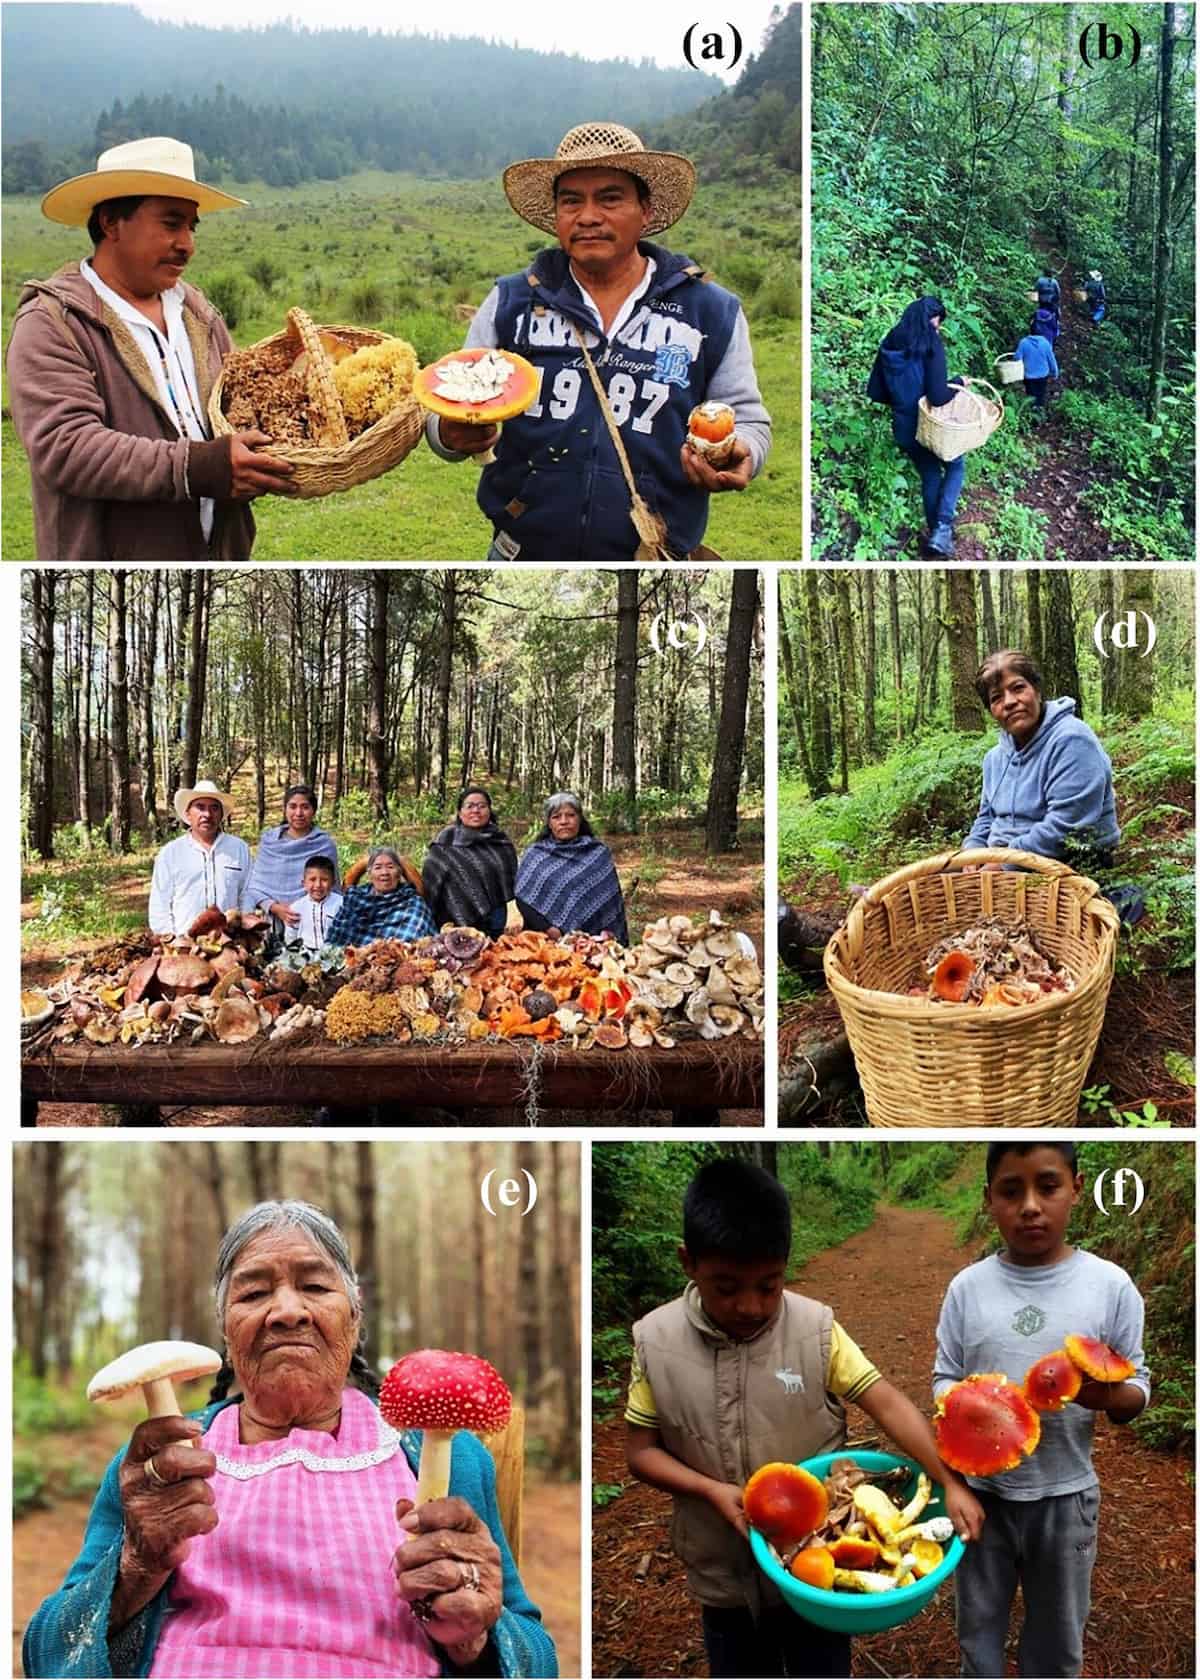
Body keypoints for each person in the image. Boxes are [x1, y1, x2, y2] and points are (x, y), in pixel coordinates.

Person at [23, 1200, 556, 1678]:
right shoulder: (162, 1464)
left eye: (316, 1287)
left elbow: (534, 1656)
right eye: (253, 1293)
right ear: (226, 1328)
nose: (286, 1311)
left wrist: (476, 1635)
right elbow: (49, 1654)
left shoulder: (444, 1453)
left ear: (355, 1316)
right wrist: (137, 1564)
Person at [625, 1158, 985, 1680]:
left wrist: (950, 1481)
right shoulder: (656, 1342)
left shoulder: (815, 1330)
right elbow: (641, 1452)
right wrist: (710, 1491)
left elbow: (884, 1401)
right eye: (726, 1288)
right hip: (724, 1572)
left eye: (768, 1286)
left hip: (822, 1562)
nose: (750, 1306)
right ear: (688, 1263)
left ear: (786, 1266)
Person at [426, 123, 772, 563]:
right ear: (556, 215)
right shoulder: (512, 302)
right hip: (520, 559)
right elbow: (448, 408)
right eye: (572, 200)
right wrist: (449, 434)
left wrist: (743, 452)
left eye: (610, 198)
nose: (588, 216)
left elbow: (747, 420)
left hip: (655, 561)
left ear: (645, 211)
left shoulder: (709, 312)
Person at [5, 136, 294, 563]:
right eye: (171, 223)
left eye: (191, 227)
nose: (187, 244)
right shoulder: (53, 325)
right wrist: (200, 468)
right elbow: (67, 448)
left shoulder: (198, 313)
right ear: (110, 222)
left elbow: (238, 404)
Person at [935, 1143, 1149, 1679]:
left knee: (1058, 1638)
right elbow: (944, 1377)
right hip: (981, 1498)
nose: (1030, 1205)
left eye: (1047, 1186)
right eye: (1011, 1191)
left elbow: (1137, 1389)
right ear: (989, 1200)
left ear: (1076, 1188)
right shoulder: (968, 1289)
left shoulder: (1110, 1287)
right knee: (977, 1627)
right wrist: (973, 1406)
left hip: (1065, 1496)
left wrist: (1098, 1396)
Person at [962, 650, 1119, 871]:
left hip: (1066, 864)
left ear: (1036, 690)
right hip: (1000, 858)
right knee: (921, 886)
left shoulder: (1072, 741)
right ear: (991, 711)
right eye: (996, 698)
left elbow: (1066, 827)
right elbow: (986, 817)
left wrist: (1005, 863)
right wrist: (972, 851)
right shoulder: (994, 759)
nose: (1009, 702)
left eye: (1018, 688)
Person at [867, 295, 966, 558]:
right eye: (937, 323)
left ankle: (938, 537)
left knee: (930, 473)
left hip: (903, 426)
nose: (938, 328)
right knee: (956, 464)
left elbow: (878, 389)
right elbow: (937, 395)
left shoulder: (891, 340)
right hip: (927, 424)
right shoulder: (929, 343)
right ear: (928, 320)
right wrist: (958, 382)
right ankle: (943, 527)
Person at [515, 792, 629, 944]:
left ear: (580, 819)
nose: (564, 821)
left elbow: (608, 902)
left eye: (570, 815)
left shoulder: (598, 853)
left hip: (591, 943)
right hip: (543, 939)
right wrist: (549, 928)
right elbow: (523, 898)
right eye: (556, 817)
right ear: (549, 823)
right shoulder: (535, 854)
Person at [148, 781, 253, 937]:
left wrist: (245, 930)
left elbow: (248, 893)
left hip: (230, 941)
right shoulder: (171, 853)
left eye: (214, 808)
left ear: (221, 814)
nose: (207, 814)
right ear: (188, 813)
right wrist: (170, 939)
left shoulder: (239, 849)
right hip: (184, 943)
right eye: (200, 807)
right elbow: (160, 903)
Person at [422, 788, 518, 939]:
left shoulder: (501, 841)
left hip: (498, 917)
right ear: (460, 813)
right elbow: (431, 886)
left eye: (482, 806)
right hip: (455, 919)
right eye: (470, 806)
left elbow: (511, 882)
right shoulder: (445, 843)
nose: (476, 810)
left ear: (489, 810)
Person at [246, 784, 341, 935]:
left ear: (314, 811)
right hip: (271, 923)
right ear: (285, 809)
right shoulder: (270, 842)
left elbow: (333, 886)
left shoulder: (324, 844)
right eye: (292, 806)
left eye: (305, 807)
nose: (298, 813)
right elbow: (255, 886)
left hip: (313, 923)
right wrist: (275, 908)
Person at [327, 847, 438, 945]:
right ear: (369, 874)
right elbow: (337, 941)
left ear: (399, 873)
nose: (384, 872)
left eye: (390, 867)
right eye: (378, 867)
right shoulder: (355, 899)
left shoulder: (414, 904)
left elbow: (423, 944)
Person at [287, 856, 344, 955]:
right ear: (304, 883)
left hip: (335, 954)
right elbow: (291, 935)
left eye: (324, 880)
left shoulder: (341, 904)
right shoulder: (296, 907)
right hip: (305, 955)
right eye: (312, 879)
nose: (318, 885)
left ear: (333, 883)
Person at [1013, 329, 1060, 414]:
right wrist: (1055, 372)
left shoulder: (1024, 342)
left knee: (1030, 395)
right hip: (1042, 375)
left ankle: (1031, 413)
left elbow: (1017, 358)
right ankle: (1040, 411)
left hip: (1028, 376)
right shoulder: (1045, 343)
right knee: (1040, 393)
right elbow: (1051, 359)